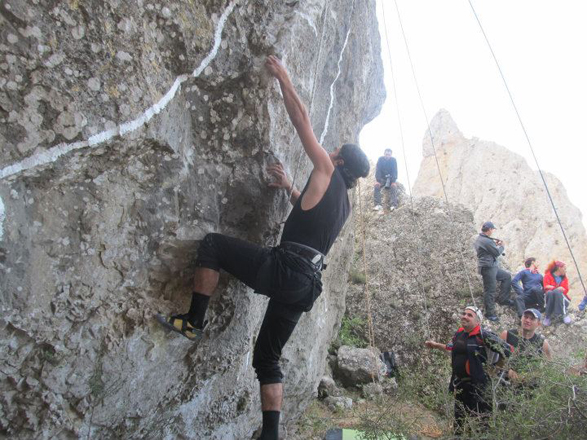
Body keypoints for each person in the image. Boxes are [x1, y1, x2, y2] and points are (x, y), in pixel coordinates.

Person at [155, 55, 369, 440]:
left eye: (332, 151)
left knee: (212, 246)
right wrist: (289, 187)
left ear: (337, 158)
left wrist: (284, 76)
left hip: (286, 268)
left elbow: (301, 119)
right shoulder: (344, 204)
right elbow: (307, 214)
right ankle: (270, 435)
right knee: (268, 358)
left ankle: (193, 321)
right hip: (307, 284)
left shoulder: (326, 168)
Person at [425, 306, 512, 434]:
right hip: (461, 385)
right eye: (464, 314)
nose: (464, 316)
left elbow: (508, 351)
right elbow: (452, 348)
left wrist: (495, 369)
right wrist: (436, 345)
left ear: (478, 321)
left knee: (482, 423)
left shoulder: (484, 336)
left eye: (469, 315)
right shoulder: (460, 334)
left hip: (480, 388)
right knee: (459, 422)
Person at [473, 221, 517, 321]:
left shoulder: (481, 239)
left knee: (506, 276)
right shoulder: (487, 241)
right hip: (488, 267)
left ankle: (504, 299)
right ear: (489, 230)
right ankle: (490, 313)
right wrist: (501, 246)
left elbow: (488, 249)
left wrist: (493, 244)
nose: (492, 231)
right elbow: (496, 252)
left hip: (490, 267)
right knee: (490, 290)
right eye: (492, 229)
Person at [499, 308, 552, 385]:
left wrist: (529, 376)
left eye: (532, 319)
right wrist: (508, 370)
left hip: (529, 387)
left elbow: (548, 367)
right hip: (505, 382)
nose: (527, 320)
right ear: (521, 318)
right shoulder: (506, 335)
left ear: (538, 324)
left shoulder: (543, 343)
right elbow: (497, 360)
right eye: (526, 317)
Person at [543, 260, 571, 326]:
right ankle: (547, 316)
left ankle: (563, 314)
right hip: (551, 300)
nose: (565, 270)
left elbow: (565, 290)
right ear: (559, 268)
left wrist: (554, 289)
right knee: (549, 293)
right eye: (564, 268)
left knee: (556, 292)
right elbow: (546, 287)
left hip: (563, 300)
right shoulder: (547, 276)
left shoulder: (564, 278)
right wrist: (556, 288)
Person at [373, 148, 398, 212]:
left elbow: (395, 171)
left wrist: (393, 181)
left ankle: (393, 205)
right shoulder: (380, 159)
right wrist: (378, 181)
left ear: (391, 155)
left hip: (390, 178)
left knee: (394, 187)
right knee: (376, 186)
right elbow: (378, 170)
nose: (387, 156)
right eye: (386, 154)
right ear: (384, 154)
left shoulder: (393, 160)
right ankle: (378, 205)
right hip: (382, 179)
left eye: (389, 155)